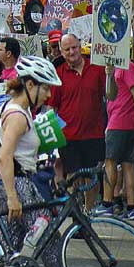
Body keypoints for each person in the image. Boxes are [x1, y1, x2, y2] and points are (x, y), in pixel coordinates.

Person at [0, 56, 72, 267]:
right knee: (50, 240)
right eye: (46, 88)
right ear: (30, 85)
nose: (48, 95)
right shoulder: (19, 116)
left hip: (4, 183)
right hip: (18, 185)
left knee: (5, 247)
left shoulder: (7, 107)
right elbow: (3, 156)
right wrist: (12, 196)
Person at [46, 34, 106, 211]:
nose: (72, 52)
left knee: (92, 177)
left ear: (80, 47)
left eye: (74, 47)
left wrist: (110, 76)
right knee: (73, 177)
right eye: (67, 49)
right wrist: (52, 139)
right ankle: (76, 212)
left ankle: (89, 211)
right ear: (62, 53)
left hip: (93, 134)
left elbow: (111, 95)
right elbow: (51, 108)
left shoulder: (97, 69)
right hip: (68, 136)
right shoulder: (58, 75)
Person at [94, 62, 134, 220]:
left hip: (121, 121)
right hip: (122, 120)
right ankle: (131, 206)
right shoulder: (116, 68)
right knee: (128, 164)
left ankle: (107, 203)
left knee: (110, 161)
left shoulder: (127, 67)